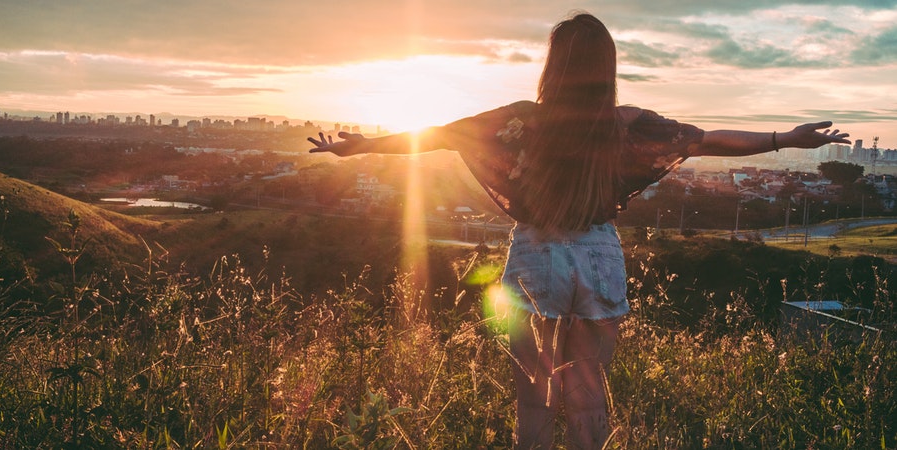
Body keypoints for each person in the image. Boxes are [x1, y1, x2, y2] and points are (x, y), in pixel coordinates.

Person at [309, 12, 850, 449]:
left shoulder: (521, 119)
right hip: (599, 257)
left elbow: (437, 136)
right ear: (606, 66)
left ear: (553, 66)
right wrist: (785, 137)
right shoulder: (628, 123)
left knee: (535, 398)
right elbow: (707, 139)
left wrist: (359, 146)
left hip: (536, 255)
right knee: (590, 398)